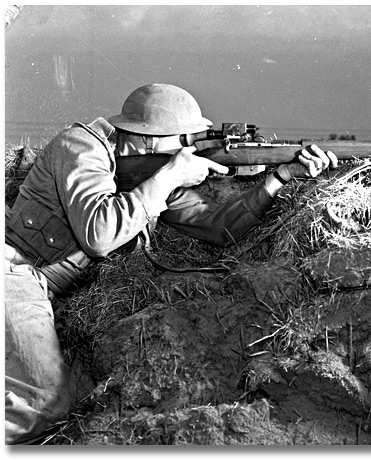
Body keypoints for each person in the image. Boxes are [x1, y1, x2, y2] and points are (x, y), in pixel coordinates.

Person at [4, 83, 338, 444]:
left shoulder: (150, 173)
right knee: (47, 404)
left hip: (38, 290)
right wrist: (168, 178)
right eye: (183, 141)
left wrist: (281, 177)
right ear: (147, 141)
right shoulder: (81, 146)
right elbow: (98, 235)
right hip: (13, 271)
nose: (190, 150)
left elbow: (217, 227)